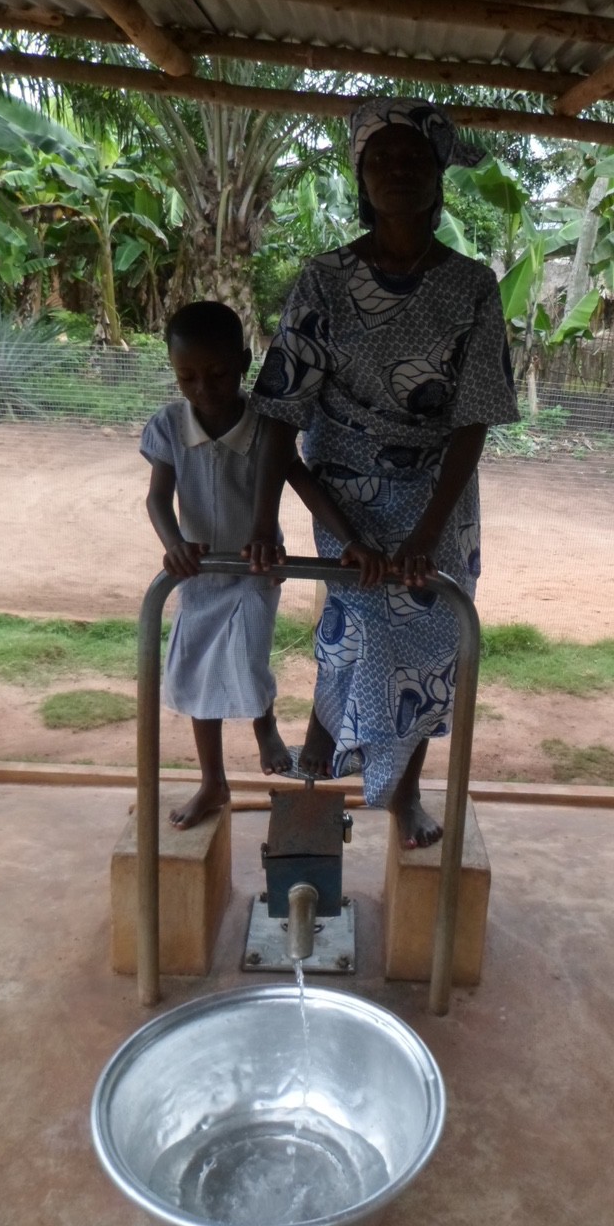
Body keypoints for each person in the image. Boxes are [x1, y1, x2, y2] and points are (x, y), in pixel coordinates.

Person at [246, 97, 520, 849]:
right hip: (345, 492)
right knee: (356, 624)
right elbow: (279, 410)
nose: (398, 170)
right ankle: (319, 756)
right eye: (381, 159)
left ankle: (402, 793)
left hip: (442, 494)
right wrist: (264, 518)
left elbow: (474, 417)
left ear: (438, 180)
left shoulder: (472, 286)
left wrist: (430, 529)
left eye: (414, 159)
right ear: (361, 180)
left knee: (431, 644)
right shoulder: (324, 281)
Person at [141, 300, 293, 830]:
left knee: (247, 653)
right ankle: (213, 780)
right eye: (187, 376)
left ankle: (264, 724)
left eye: (217, 373)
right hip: (200, 575)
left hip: (255, 570)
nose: (203, 388)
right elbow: (158, 499)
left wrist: (344, 539)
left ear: (245, 362)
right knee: (198, 671)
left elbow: (304, 485)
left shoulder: (266, 428)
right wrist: (174, 542)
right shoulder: (168, 426)